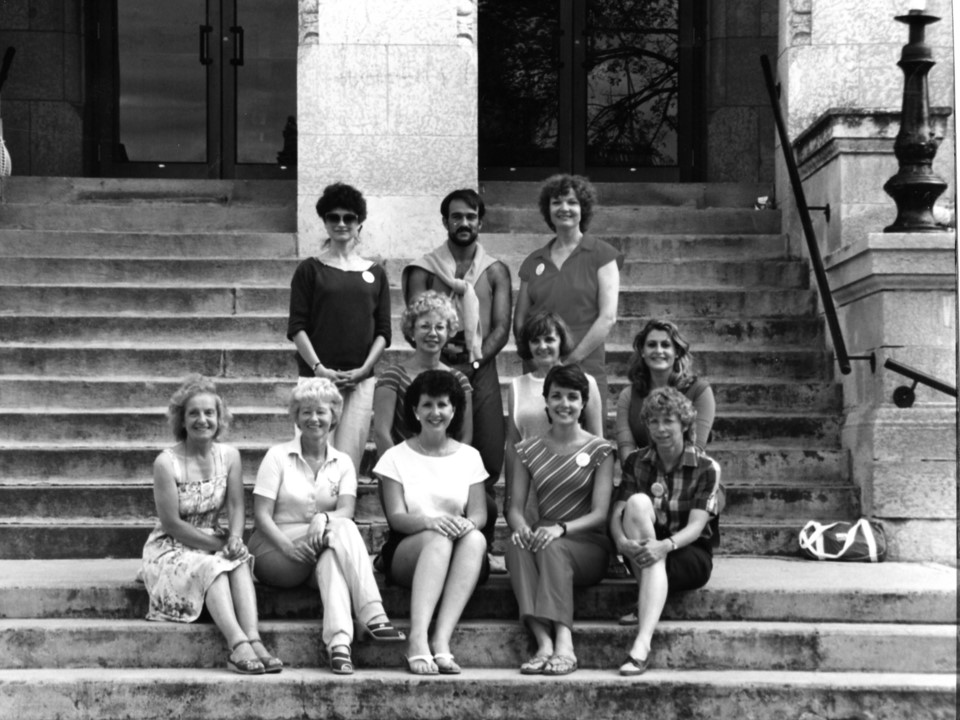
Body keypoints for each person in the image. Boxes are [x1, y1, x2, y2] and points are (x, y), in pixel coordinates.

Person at [248, 379, 404, 675]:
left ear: (334, 417)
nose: (314, 418)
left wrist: (322, 519)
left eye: (321, 411)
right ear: (296, 418)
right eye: (305, 412)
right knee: (342, 531)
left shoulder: (343, 462)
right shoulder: (277, 456)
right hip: (275, 549)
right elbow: (261, 517)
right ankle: (373, 613)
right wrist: (289, 548)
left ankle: (339, 645)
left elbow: (345, 510)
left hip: (319, 545)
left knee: (333, 554)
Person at [140, 375, 281, 675]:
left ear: (219, 418)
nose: (202, 420)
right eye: (193, 413)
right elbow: (172, 524)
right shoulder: (165, 463)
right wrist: (220, 545)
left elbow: (236, 506)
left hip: (213, 540)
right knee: (215, 564)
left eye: (209, 413)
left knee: (238, 559)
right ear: (182, 420)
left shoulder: (230, 456)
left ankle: (254, 639)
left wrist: (235, 539)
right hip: (172, 548)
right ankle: (236, 644)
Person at [403, 188, 512, 545]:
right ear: (445, 221)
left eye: (470, 216)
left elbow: (501, 328)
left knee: (488, 451)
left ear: (480, 222)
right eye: (456, 216)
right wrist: (443, 366)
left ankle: (480, 541)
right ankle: (432, 534)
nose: (463, 223)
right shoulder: (423, 269)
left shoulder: (495, 271)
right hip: (435, 370)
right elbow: (416, 323)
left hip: (481, 367)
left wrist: (474, 362)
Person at [373, 370, 488, 676]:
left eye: (442, 405)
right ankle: (417, 638)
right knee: (439, 538)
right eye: (427, 405)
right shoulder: (395, 457)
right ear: (415, 410)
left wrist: (467, 524)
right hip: (409, 549)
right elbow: (396, 517)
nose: (435, 412)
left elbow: (479, 514)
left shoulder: (470, 457)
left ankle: (441, 639)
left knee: (476, 538)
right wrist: (431, 522)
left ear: (454, 410)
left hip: (458, 548)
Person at [505, 364, 615, 676]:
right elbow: (514, 507)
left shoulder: (601, 450)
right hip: (545, 536)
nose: (564, 404)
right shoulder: (527, 449)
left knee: (552, 545)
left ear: (583, 403)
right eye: (556, 396)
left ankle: (564, 641)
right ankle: (543, 642)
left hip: (587, 544)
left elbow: (600, 514)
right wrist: (521, 529)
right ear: (546, 401)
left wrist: (560, 529)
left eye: (572, 397)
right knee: (516, 546)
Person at [610, 387, 724, 676]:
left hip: (689, 554)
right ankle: (641, 646)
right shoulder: (636, 461)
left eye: (668, 421)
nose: (660, 429)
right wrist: (620, 541)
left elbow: (697, 526)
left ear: (684, 424)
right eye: (654, 421)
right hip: (647, 546)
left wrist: (665, 546)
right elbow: (618, 512)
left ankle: (643, 640)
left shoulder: (706, 467)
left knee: (655, 555)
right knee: (636, 503)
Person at [287, 181, 391, 472]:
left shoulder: (375, 273)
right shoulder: (309, 270)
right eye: (334, 217)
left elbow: (383, 332)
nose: (341, 223)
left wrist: (363, 370)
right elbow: (297, 327)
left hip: (360, 381)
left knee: (348, 460)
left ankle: (344, 503)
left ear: (359, 223)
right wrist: (319, 369)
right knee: (310, 456)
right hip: (316, 378)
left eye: (349, 217)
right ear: (324, 221)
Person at [513, 174, 623, 421]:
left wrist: (568, 361)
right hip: (539, 366)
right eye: (557, 202)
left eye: (572, 202)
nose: (564, 208)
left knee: (588, 438)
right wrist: (536, 360)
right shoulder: (533, 261)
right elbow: (520, 320)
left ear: (583, 209)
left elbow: (607, 318)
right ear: (548, 210)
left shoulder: (603, 255)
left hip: (585, 367)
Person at [506, 311, 604, 519]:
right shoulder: (516, 386)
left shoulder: (585, 382)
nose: (542, 346)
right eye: (535, 340)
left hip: (573, 483)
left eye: (549, 339)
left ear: (561, 342)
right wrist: (509, 495)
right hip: (529, 485)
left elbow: (597, 440)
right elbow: (513, 444)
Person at [373, 291, 473, 454]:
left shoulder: (460, 380)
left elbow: (465, 436)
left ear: (449, 332)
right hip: (401, 465)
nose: (432, 333)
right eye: (425, 326)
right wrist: (398, 467)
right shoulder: (393, 377)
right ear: (411, 331)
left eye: (439, 327)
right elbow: (381, 434)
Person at [615, 319, 716, 473]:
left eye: (666, 345)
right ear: (642, 351)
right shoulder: (628, 395)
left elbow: (696, 447)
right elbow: (626, 452)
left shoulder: (699, 390)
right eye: (651, 345)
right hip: (643, 475)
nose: (658, 350)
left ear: (677, 352)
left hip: (689, 475)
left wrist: (669, 481)